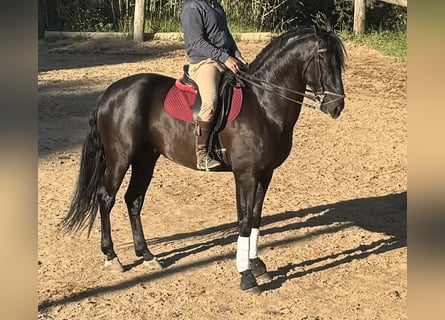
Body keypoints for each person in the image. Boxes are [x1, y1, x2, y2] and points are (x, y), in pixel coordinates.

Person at [181, 0, 247, 171]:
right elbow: (196, 42)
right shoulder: (192, 7)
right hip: (205, 63)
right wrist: (224, 57)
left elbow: (227, 36)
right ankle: (202, 154)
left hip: (224, 60)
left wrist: (237, 54)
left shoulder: (215, 6)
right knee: (211, 100)